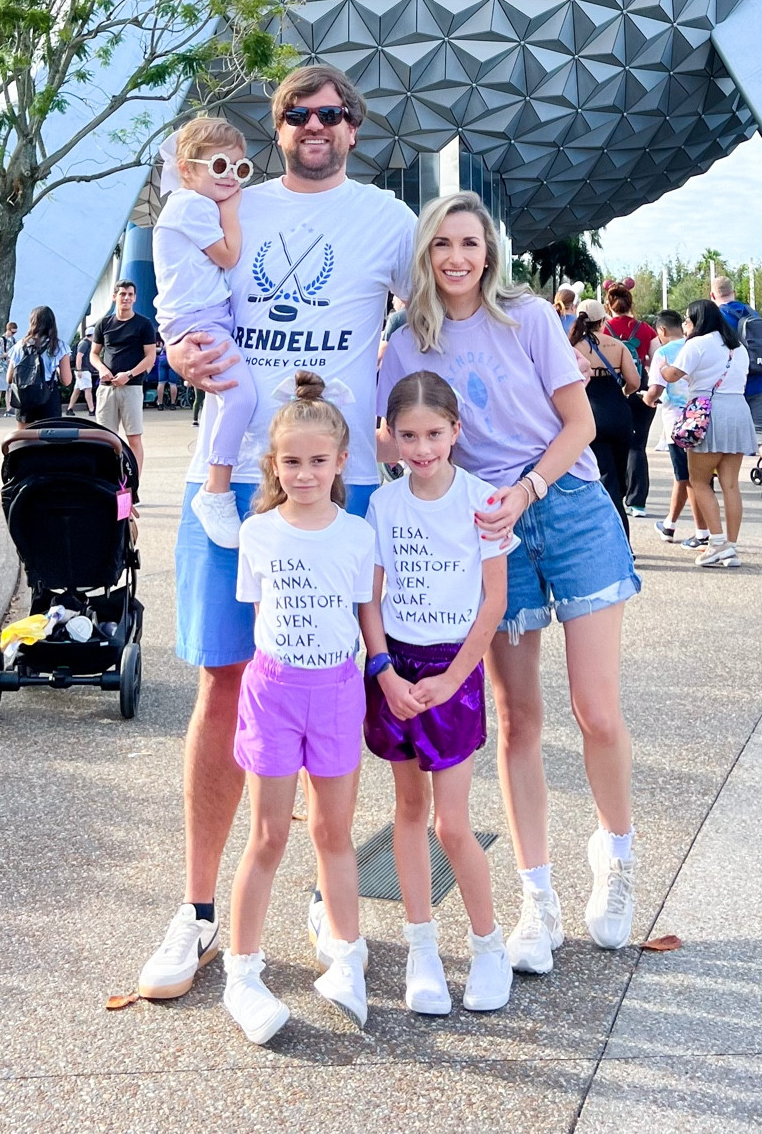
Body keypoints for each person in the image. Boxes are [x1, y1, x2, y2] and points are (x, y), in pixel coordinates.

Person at [137, 64, 415, 1005]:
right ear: (276, 124)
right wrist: (175, 347)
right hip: (237, 477)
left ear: (355, 127)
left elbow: (444, 325)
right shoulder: (224, 202)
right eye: (300, 113)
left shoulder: (386, 217)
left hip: (347, 486)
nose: (317, 126)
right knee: (224, 683)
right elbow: (181, 299)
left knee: (332, 682)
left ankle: (329, 904)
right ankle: (201, 909)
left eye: (334, 115)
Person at [378, 191, 641, 970]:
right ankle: (539, 898)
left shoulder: (526, 316)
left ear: (489, 251)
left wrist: (525, 490)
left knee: (596, 709)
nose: (457, 257)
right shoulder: (406, 344)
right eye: (441, 245)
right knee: (516, 716)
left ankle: (617, 857)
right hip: (481, 529)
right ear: (425, 256)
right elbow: (396, 442)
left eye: (470, 242)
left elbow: (580, 424)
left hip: (566, 506)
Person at [224, 371, 375, 1044]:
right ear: (274, 464)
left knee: (332, 834)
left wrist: (384, 674)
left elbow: (365, 614)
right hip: (274, 693)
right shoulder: (258, 532)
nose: (305, 473)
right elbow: (260, 614)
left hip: (338, 693)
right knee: (268, 835)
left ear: (342, 462)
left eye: (318, 460)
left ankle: (348, 958)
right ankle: (241, 970)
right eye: (292, 461)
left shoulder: (358, 535)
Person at [362, 370, 513, 1016]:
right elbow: (370, 597)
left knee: (453, 824)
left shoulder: (483, 502)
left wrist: (455, 678)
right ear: (390, 439)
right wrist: (382, 671)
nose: (421, 448)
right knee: (407, 811)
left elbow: (495, 600)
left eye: (433, 433)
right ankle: (421, 946)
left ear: (456, 431)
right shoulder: (383, 505)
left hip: (455, 668)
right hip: (396, 667)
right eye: (408, 436)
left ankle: (488, 945)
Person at [152, 115, 257, 548]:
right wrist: (231, 210)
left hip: (198, 316)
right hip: (199, 318)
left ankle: (216, 485)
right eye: (219, 167)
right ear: (187, 167)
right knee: (242, 396)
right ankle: (216, 489)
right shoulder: (192, 205)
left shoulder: (187, 205)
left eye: (240, 168)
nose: (231, 178)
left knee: (230, 397)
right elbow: (229, 255)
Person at [658, 298, 756, 568]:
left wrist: (663, 365)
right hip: (737, 411)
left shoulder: (696, 344)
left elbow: (672, 375)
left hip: (707, 413)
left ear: (698, 321)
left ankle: (715, 542)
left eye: (688, 320)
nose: (686, 326)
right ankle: (731, 546)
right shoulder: (739, 348)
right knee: (731, 485)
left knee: (698, 480)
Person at [711, 274, 762, 500]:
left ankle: (710, 479)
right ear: (733, 292)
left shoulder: (717, 316)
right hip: (758, 381)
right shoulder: (751, 313)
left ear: (713, 295)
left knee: (718, 430)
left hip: (729, 384)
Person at [568, 301, 638, 535]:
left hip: (588, 414)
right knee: (617, 480)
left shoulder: (571, 347)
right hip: (619, 414)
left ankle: (606, 536)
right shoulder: (617, 346)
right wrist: (622, 394)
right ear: (603, 321)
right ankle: (622, 537)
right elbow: (635, 382)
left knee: (600, 478)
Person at [645, 308, 703, 546]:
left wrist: (647, 400)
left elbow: (656, 390)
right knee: (684, 476)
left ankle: (703, 532)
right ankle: (669, 524)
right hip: (701, 417)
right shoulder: (697, 347)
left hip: (676, 423)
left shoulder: (663, 352)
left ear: (662, 330)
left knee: (690, 478)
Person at [90, 281, 157, 474]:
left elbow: (150, 357)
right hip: (107, 388)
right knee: (105, 439)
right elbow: (94, 354)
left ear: (135, 298)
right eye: (122, 294)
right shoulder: (104, 324)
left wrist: (129, 374)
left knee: (134, 438)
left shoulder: (144, 324)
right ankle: (107, 481)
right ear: (114, 297)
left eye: (130, 294)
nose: (126, 298)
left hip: (132, 388)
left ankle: (133, 484)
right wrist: (102, 369)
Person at [603, 282, 657, 517]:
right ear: (630, 303)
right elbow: (656, 360)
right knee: (637, 445)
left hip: (611, 391)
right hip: (641, 390)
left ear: (608, 304)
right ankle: (637, 502)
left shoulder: (604, 329)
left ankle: (613, 495)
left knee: (609, 445)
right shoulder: (646, 329)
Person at [7, 306, 73, 422]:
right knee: (49, 437)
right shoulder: (59, 346)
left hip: (24, 395)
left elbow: (9, 378)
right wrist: (56, 370)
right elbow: (67, 381)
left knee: (24, 437)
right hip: (48, 396)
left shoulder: (19, 346)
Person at [67, 329, 95, 415]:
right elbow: (79, 356)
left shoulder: (84, 342)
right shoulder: (85, 343)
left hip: (82, 370)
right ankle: (91, 409)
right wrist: (79, 369)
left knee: (77, 390)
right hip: (84, 370)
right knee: (88, 389)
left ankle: (69, 409)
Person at [0, 323, 18, 415]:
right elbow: (0, 354)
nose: (14, 334)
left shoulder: (14, 340)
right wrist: (10, 353)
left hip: (10, 368)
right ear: (8, 329)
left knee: (9, 389)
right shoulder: (1, 340)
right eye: (12, 332)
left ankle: (9, 409)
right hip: (1, 368)